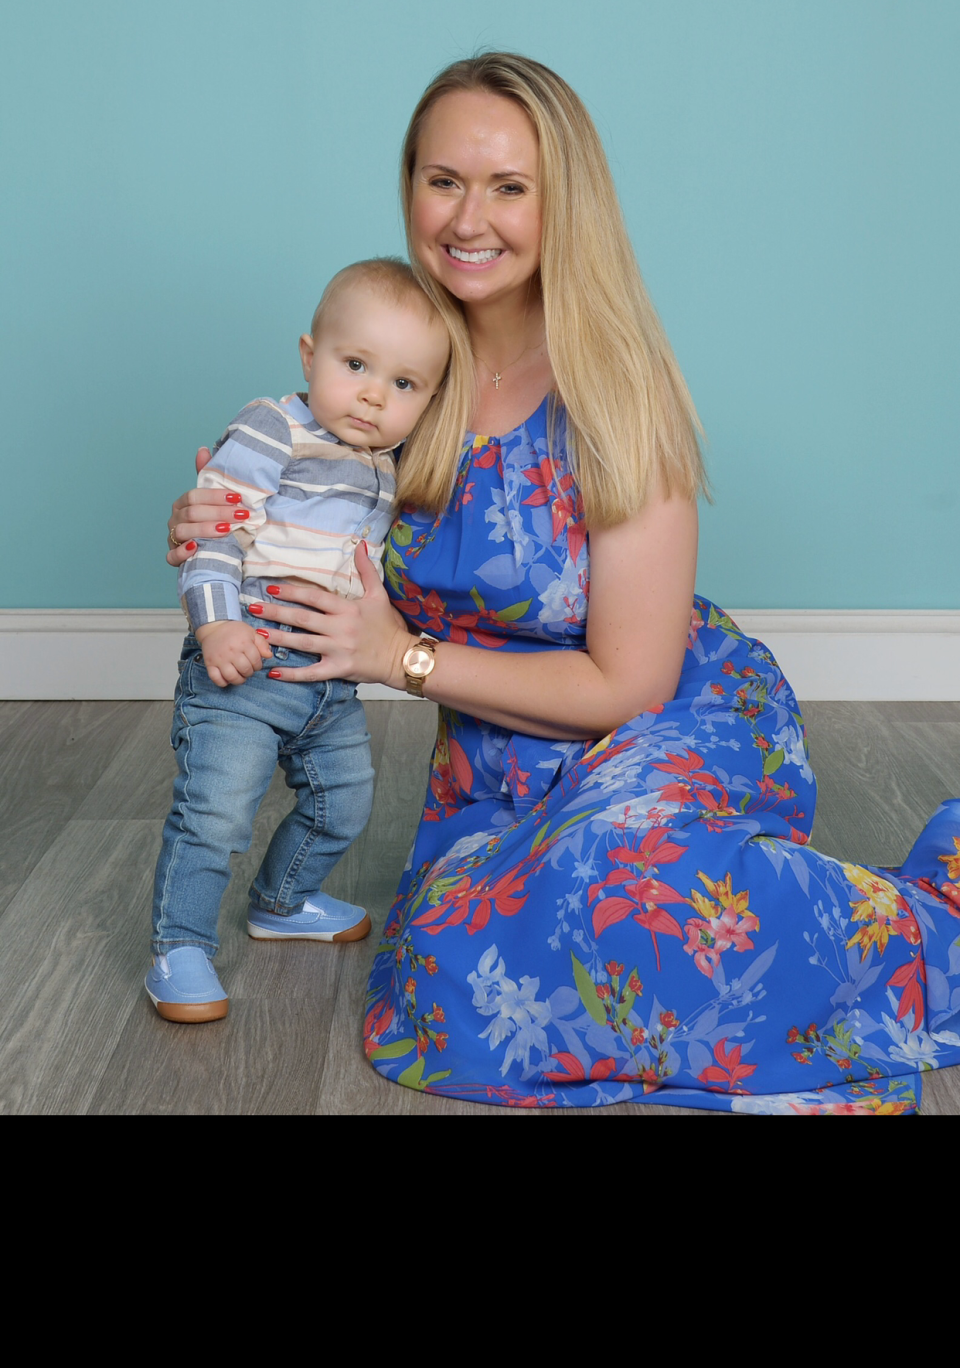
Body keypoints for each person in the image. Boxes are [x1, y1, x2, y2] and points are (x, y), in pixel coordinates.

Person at [167, 54, 960, 1110]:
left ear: (562, 202)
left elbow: (627, 683)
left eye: (509, 187)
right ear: (408, 185)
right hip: (493, 760)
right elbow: (272, 491)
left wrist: (398, 657)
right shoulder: (394, 366)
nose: (468, 218)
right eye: (443, 179)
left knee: (632, 895)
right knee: (453, 1003)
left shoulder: (614, 389)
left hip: (656, 710)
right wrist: (214, 519)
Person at [148, 258, 451, 1021]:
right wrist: (215, 622)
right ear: (309, 354)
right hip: (246, 660)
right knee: (216, 811)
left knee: (345, 799)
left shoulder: (387, 461)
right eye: (355, 366)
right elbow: (214, 529)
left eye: (405, 384)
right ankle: (179, 946)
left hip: (330, 677)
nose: (375, 394)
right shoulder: (273, 427)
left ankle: (281, 900)